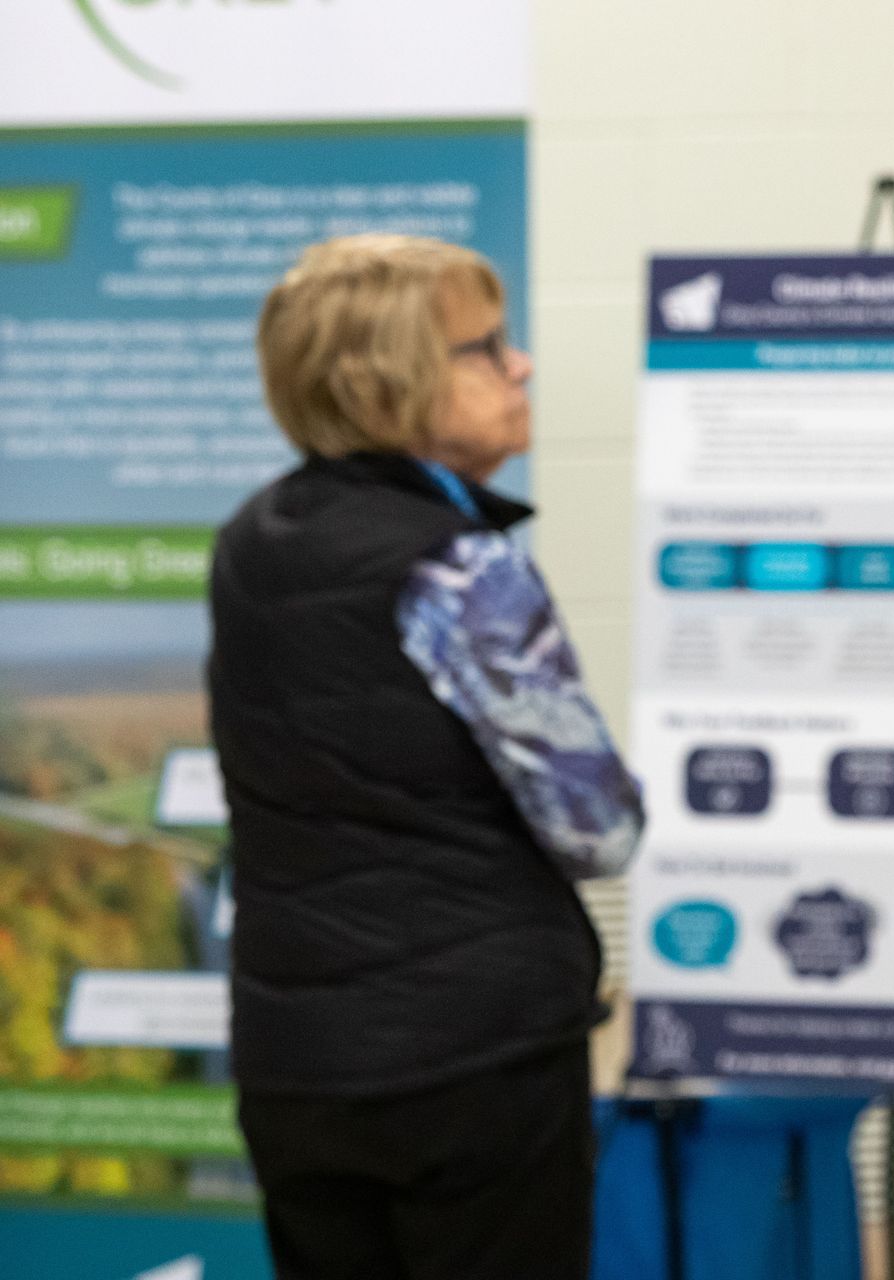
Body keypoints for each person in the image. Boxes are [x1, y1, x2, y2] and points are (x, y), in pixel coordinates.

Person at [207, 234, 644, 1279]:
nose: (521, 365)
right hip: (469, 1067)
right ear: (387, 381)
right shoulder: (460, 567)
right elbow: (598, 827)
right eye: (486, 346)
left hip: (297, 1064)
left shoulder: (252, 539)